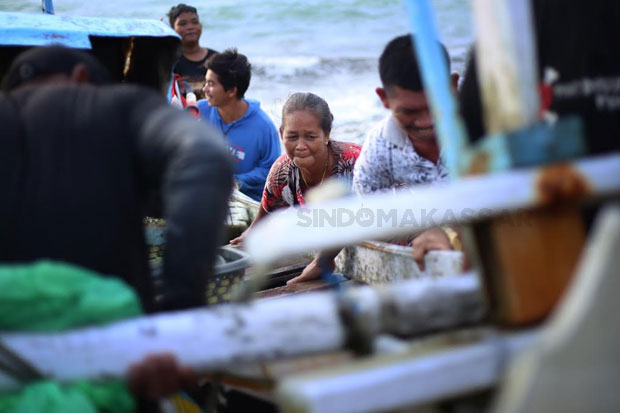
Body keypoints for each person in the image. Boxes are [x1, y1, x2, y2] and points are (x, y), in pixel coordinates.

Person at [0, 45, 234, 408]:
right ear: (82, 78)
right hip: (126, 367)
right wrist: (179, 311)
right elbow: (204, 157)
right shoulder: (120, 106)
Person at [352, 34, 461, 267]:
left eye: (435, 107)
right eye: (409, 112)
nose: (426, 122)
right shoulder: (381, 147)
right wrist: (325, 260)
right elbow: (368, 217)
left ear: (452, 85)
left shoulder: (486, 127)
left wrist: (451, 235)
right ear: (384, 98)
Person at [231, 92, 361, 284]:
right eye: (292, 136)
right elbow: (267, 210)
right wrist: (251, 232)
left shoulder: (355, 164)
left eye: (310, 136)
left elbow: (361, 216)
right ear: (282, 133)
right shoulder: (282, 171)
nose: (300, 146)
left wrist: (321, 262)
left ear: (327, 136)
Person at [198, 48, 281, 201]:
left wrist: (237, 181)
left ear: (231, 91)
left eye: (211, 84)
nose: (204, 89)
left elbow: (272, 170)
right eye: (205, 82)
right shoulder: (200, 111)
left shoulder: (263, 127)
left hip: (248, 201)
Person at [168, 3, 217, 99]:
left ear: (201, 26)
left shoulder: (216, 59)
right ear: (172, 29)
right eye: (182, 23)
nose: (190, 27)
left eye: (194, 22)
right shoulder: (170, 62)